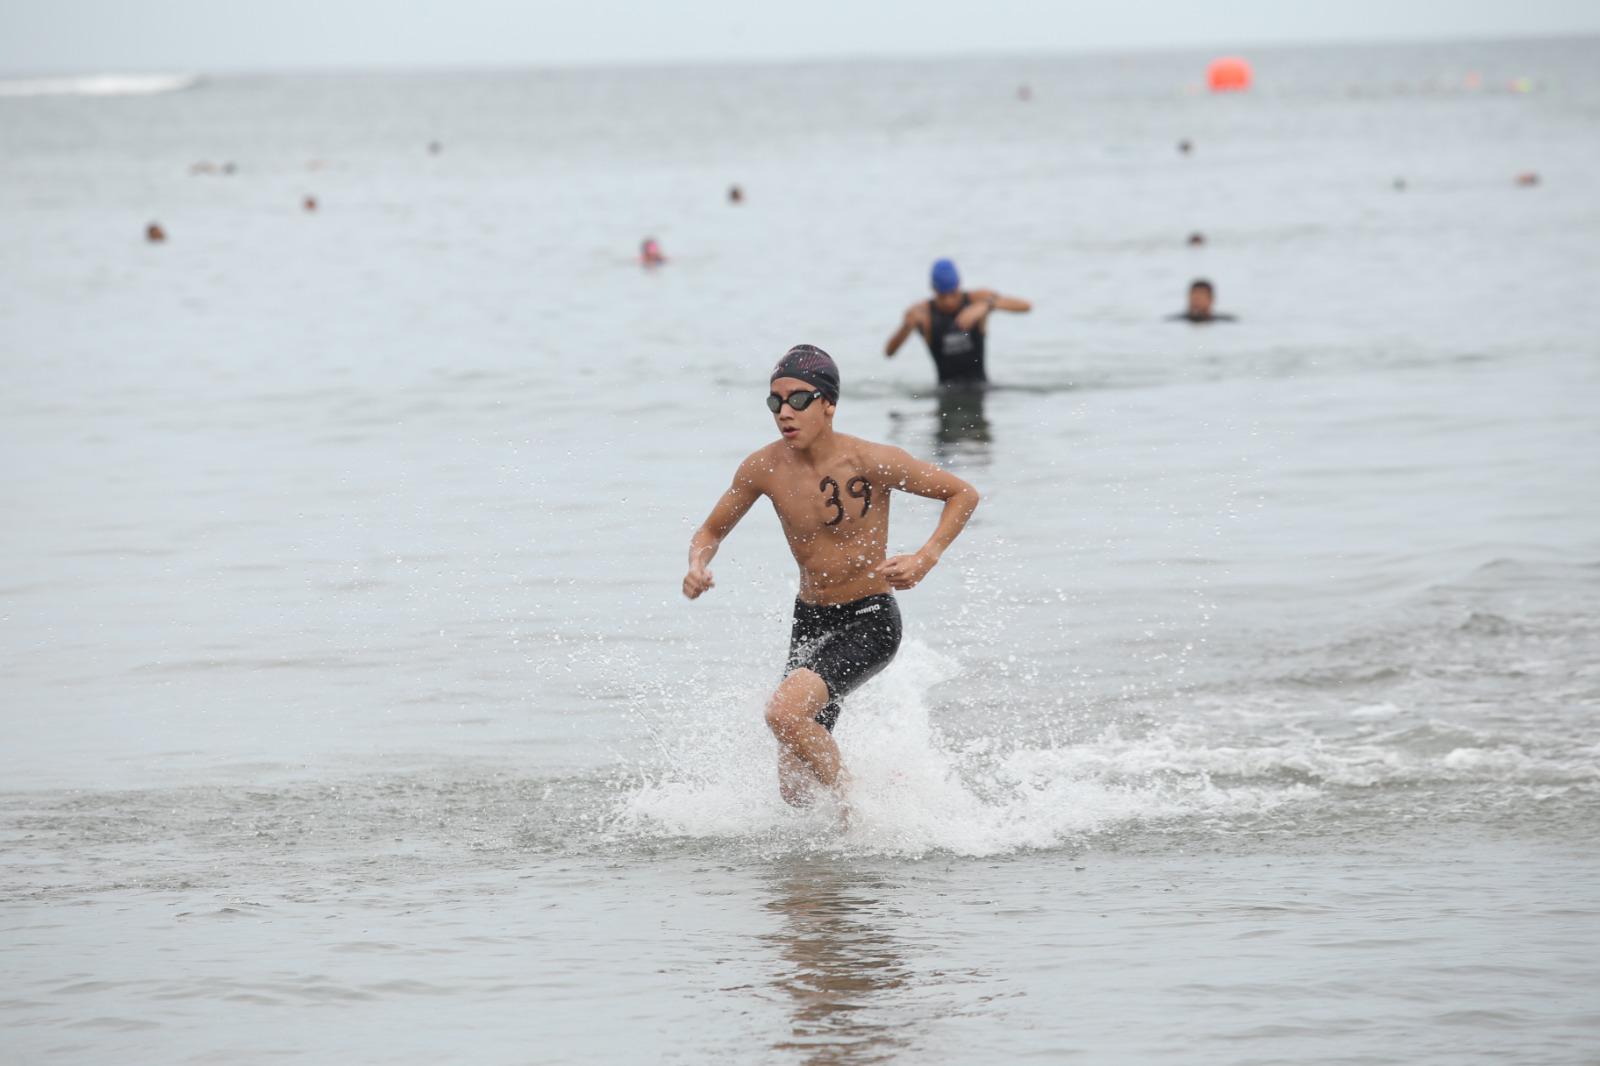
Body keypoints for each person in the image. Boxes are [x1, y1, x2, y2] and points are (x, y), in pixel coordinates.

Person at [683, 344, 980, 812]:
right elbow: (710, 530)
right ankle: (827, 869)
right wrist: (698, 564)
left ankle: (857, 810)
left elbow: (962, 493)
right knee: (794, 789)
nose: (785, 412)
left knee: (782, 713)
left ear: (828, 404)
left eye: (798, 399)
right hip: (811, 621)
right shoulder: (763, 468)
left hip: (869, 619)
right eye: (775, 402)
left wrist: (926, 557)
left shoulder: (869, 460)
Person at [884, 259, 1031, 386]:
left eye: (953, 294)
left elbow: (1026, 306)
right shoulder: (922, 313)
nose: (949, 301)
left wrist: (987, 305)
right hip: (945, 392)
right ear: (933, 289)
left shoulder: (977, 299)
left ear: (959, 285)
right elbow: (889, 353)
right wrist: (906, 327)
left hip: (982, 388)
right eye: (942, 296)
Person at [1168, 278, 1236, 323]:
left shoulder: (1225, 321)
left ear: (1211, 299)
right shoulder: (1175, 321)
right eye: (1193, 296)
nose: (1196, 301)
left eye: (1201, 297)